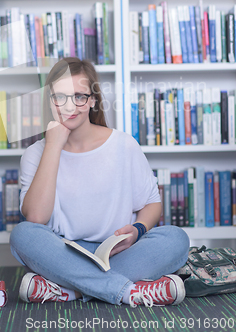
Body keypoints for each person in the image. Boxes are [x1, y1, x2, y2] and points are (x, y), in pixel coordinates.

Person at [10, 57, 190, 307]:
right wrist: (53, 145)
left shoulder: (124, 144)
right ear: (49, 101)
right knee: (23, 234)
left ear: (92, 100)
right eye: (59, 97)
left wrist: (137, 230)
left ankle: (68, 289)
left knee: (176, 239)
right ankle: (126, 291)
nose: (68, 106)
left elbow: (151, 204)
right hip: (63, 253)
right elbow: (36, 218)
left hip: (118, 251)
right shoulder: (35, 153)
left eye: (79, 96)